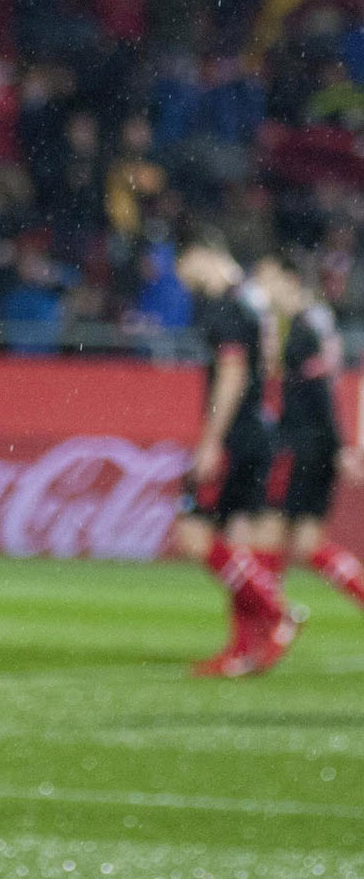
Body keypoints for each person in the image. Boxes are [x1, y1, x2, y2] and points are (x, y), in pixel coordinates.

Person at [173, 233, 302, 677]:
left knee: (194, 535)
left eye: (183, 265)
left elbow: (232, 374)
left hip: (235, 435)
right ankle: (243, 650)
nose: (183, 278)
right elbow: (270, 363)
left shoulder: (226, 306)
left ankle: (277, 610)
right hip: (258, 431)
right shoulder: (253, 303)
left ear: (202, 255)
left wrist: (211, 440)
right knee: (238, 542)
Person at [255, 255, 364, 611]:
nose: (262, 288)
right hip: (315, 444)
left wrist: (337, 445)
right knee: (306, 544)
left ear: (289, 280)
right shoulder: (311, 323)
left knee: (269, 533)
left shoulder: (302, 330)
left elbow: (320, 393)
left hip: (303, 446)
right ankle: (274, 616)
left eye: (267, 279)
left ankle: (269, 619)